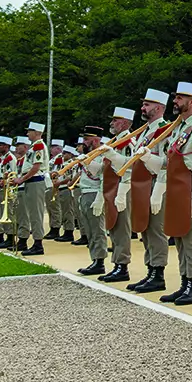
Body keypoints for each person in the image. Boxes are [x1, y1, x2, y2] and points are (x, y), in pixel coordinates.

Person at [159, 81, 192, 305]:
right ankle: (184, 283)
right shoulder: (179, 127)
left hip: (190, 186)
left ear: (191, 102)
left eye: (179, 99)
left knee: (190, 238)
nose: (175, 101)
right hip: (177, 186)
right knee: (179, 236)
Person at [127, 88, 173, 293]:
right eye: (143, 104)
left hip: (156, 183)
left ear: (159, 107)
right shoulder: (145, 130)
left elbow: (167, 163)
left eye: (147, 104)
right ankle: (150, 269)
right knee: (145, 229)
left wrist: (159, 191)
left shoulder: (164, 129)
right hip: (142, 184)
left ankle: (158, 273)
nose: (142, 108)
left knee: (156, 230)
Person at [94, 107, 138, 282]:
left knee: (121, 227)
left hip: (122, 188)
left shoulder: (127, 142)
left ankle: (122, 265)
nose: (112, 123)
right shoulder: (115, 141)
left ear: (126, 123)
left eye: (116, 120)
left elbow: (129, 168)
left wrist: (122, 191)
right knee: (113, 225)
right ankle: (117, 264)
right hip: (112, 186)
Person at [77, 126, 109, 276]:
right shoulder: (90, 153)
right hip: (85, 192)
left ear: (96, 139)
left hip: (95, 193)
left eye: (86, 139)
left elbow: (104, 177)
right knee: (89, 230)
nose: (84, 142)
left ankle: (100, 260)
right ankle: (94, 258)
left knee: (97, 229)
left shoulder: (103, 154)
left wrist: (100, 198)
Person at [14, 124, 50, 256]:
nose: (28, 134)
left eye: (30, 131)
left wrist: (21, 179)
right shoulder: (34, 146)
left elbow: (36, 167)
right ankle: (33, 242)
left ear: (37, 132)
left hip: (35, 181)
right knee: (32, 213)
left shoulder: (39, 146)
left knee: (36, 214)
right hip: (31, 182)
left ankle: (38, 244)